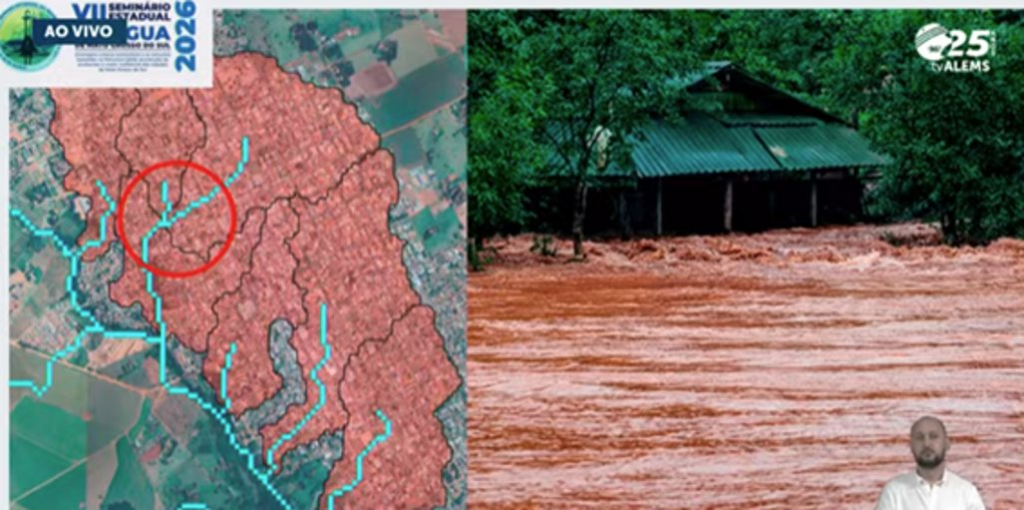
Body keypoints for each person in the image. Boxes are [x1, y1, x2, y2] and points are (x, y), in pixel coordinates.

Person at [875, 416, 986, 510]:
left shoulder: (966, 492)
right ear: (911, 446)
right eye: (919, 438)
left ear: (947, 444)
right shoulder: (895, 491)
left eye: (933, 436)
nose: (927, 444)